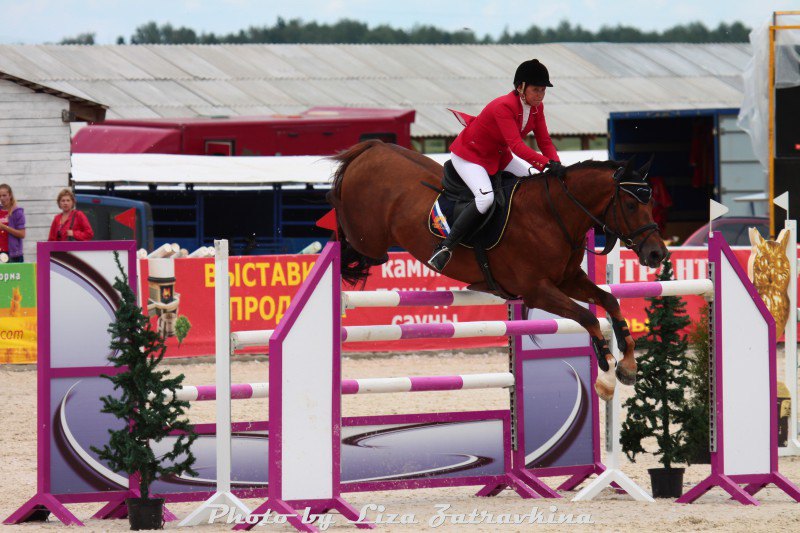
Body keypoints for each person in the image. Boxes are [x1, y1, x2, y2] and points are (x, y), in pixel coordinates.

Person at [427, 59, 562, 272]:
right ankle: (445, 247)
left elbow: (545, 141)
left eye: (543, 90)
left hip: (498, 156)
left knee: (535, 181)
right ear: (521, 87)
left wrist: (557, 166)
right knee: (485, 198)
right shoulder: (503, 106)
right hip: (470, 155)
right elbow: (517, 146)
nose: (540, 95)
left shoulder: (537, 108)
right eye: (536, 89)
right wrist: (546, 164)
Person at [0, 184, 26, 262]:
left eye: (4, 195)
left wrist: (4, 227)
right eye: (0, 196)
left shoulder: (17, 212)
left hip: (14, 254)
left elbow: (22, 234)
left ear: (10, 195)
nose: (2, 198)